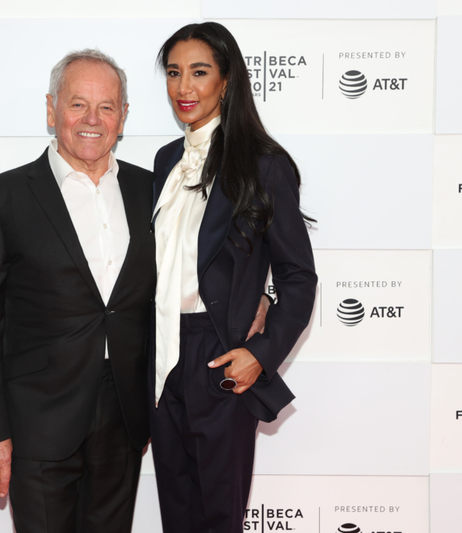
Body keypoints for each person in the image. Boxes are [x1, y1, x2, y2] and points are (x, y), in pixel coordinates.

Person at [0, 49, 155, 533]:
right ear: (51, 109)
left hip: (123, 416)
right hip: (36, 421)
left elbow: (187, 279)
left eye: (107, 107)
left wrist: (258, 299)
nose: (92, 119)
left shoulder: (153, 193)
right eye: (77, 104)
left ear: (123, 117)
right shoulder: (3, 197)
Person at [149, 22, 318, 533]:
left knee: (219, 517)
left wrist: (262, 353)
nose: (184, 87)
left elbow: (298, 276)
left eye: (199, 72)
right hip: (160, 355)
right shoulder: (165, 162)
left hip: (218, 354)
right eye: (174, 73)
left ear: (226, 81)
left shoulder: (263, 165)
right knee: (176, 512)